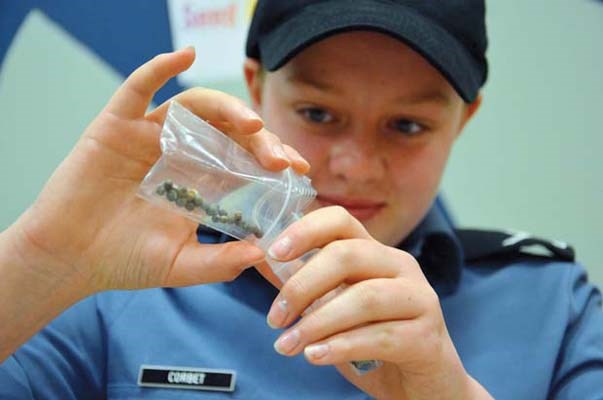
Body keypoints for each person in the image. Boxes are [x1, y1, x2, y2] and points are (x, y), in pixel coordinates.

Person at [0, 1, 601, 398]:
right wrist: (38, 260)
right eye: (318, 113)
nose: (355, 165)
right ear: (256, 85)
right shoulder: (115, 294)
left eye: (407, 126)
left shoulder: (554, 308)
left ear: (463, 120)